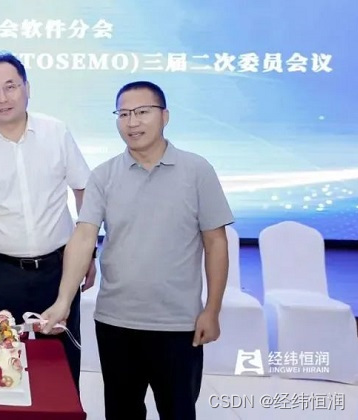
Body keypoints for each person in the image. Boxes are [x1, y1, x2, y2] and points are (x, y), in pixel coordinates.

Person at [41, 80, 234, 419]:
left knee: (178, 411)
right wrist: (63, 301)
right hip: (116, 322)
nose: (132, 122)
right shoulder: (103, 175)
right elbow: (84, 237)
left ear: (165, 116)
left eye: (142, 112)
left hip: (178, 324)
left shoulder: (197, 170)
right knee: (122, 412)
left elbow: (215, 242)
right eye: (124, 114)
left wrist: (212, 310)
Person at [0, 51, 91, 390]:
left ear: (27, 88)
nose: (2, 98)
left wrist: (88, 254)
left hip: (58, 269)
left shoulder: (56, 132)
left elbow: (84, 193)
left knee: (60, 370)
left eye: (10, 86)